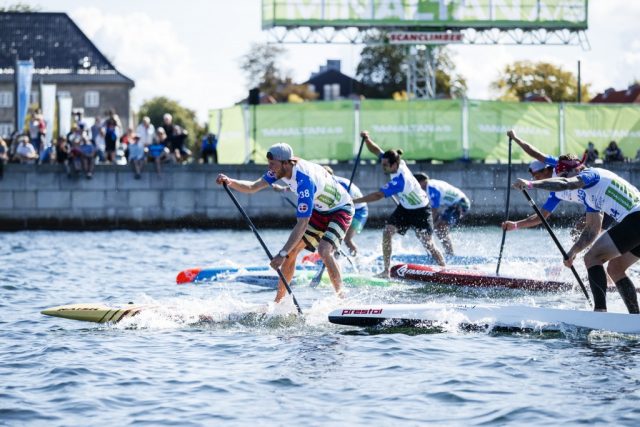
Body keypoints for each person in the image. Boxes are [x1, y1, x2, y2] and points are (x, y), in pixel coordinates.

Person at [215, 142, 354, 303]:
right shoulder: (280, 170)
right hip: (320, 210)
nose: (270, 168)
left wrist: (281, 254)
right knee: (291, 253)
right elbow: (253, 187)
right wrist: (229, 181)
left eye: (273, 164)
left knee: (323, 250)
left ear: (286, 163)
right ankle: (278, 303)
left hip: (341, 209)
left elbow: (302, 223)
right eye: (269, 164)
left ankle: (342, 299)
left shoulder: (305, 181)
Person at [512, 155, 640, 314]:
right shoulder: (589, 196)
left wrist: (531, 184)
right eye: (560, 178)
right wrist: (573, 251)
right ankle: (635, 318)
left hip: (636, 219)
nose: (564, 180)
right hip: (635, 223)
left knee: (592, 258)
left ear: (575, 169)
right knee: (615, 268)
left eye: (565, 176)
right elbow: (592, 230)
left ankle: (600, 313)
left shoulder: (591, 175)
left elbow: (566, 184)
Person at [352, 131, 445, 278]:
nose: (383, 168)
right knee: (387, 232)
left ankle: (444, 269)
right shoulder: (395, 161)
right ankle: (386, 271)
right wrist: (367, 139)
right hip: (405, 208)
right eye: (382, 164)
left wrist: (354, 201)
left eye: (385, 166)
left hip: (421, 209)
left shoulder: (401, 180)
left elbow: (378, 195)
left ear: (394, 164)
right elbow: (376, 150)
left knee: (427, 243)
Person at [414, 172, 470, 256]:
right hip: (452, 206)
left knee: (441, 227)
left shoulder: (432, 187)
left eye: (416, 184)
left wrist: (427, 226)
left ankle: (450, 254)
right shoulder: (429, 186)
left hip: (461, 204)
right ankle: (446, 252)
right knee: (438, 227)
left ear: (422, 181)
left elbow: (434, 209)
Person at [324, 165, 368, 256]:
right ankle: (333, 258)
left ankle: (357, 261)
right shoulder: (329, 183)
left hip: (360, 211)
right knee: (333, 236)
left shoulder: (340, 184)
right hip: (347, 209)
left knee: (347, 239)